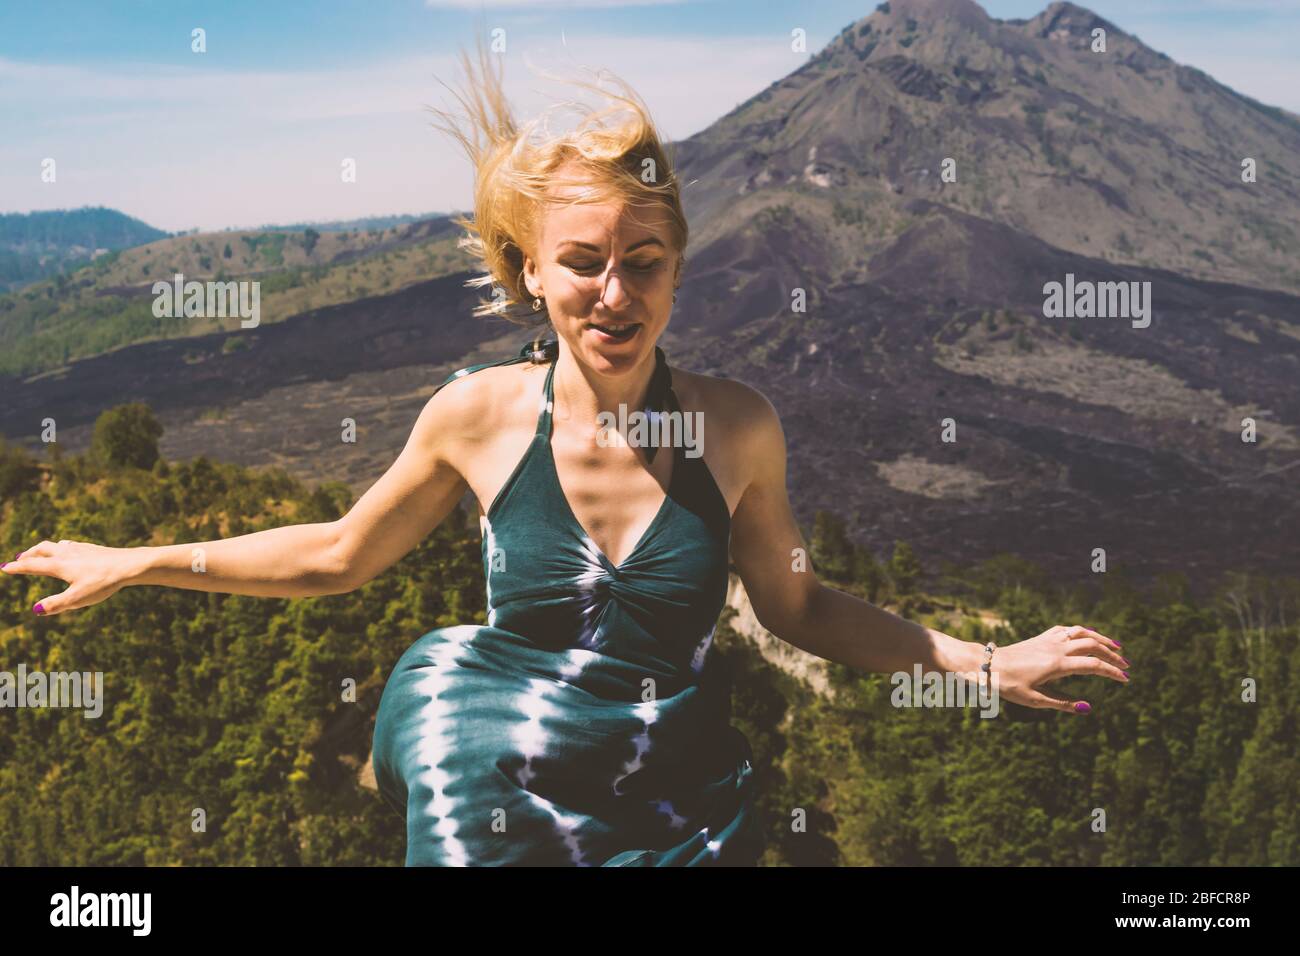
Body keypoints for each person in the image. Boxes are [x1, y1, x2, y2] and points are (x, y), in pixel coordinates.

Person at [1, 39, 1131, 867]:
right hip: (499, 783)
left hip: (676, 798)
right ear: (527, 274)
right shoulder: (476, 416)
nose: (614, 289)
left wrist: (983, 663)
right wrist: (135, 559)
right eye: (581, 259)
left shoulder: (736, 428)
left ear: (679, 269)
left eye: (644, 258)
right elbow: (339, 553)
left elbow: (798, 610)